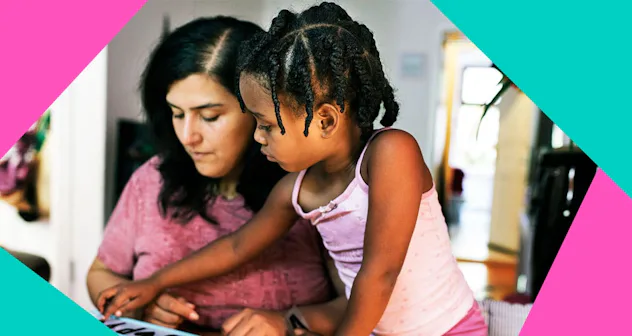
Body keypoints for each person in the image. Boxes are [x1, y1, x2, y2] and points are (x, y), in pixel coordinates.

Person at [96, 4, 488, 335]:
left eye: (266, 125)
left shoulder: (391, 152)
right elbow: (236, 247)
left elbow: (379, 273)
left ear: (326, 120)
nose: (258, 136)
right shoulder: (296, 190)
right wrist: (154, 282)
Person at [86, 16, 347, 336]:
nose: (187, 136)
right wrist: (140, 304)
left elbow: (363, 301)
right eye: (177, 113)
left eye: (210, 116)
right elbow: (101, 273)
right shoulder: (150, 180)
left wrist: (290, 321)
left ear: (261, 111)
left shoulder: (313, 189)